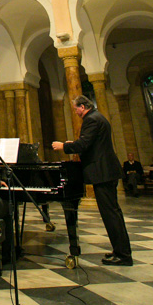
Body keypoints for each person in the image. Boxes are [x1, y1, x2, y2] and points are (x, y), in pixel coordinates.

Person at [52, 95, 133, 266]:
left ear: (82, 107)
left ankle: (123, 255)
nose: (76, 113)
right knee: (113, 213)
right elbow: (88, 143)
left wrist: (63, 146)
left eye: (76, 109)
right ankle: (120, 250)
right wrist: (74, 143)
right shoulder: (98, 117)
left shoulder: (91, 120)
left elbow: (84, 145)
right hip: (105, 172)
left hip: (103, 172)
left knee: (111, 214)